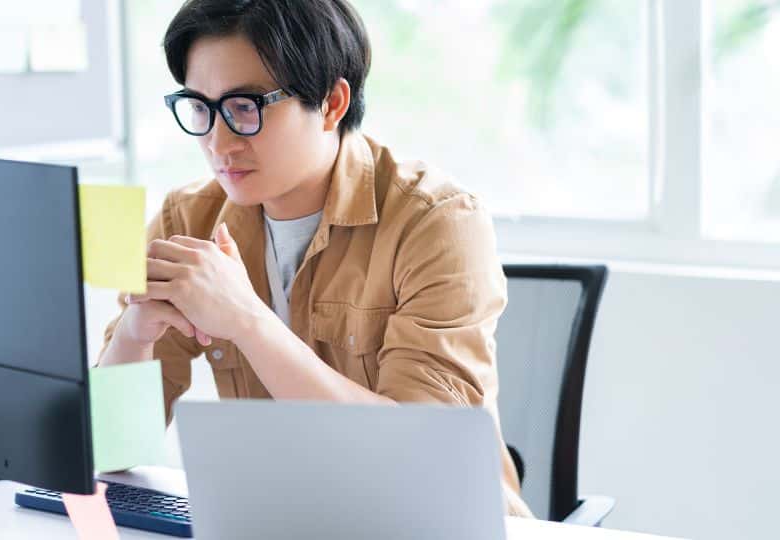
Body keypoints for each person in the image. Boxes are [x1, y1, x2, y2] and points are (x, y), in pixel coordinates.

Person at [98, 0, 532, 517]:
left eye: (244, 107)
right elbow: (108, 450)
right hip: (284, 519)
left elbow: (419, 464)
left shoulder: (437, 222)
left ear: (331, 103)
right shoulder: (187, 218)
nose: (218, 142)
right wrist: (133, 332)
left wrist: (248, 320)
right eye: (200, 107)